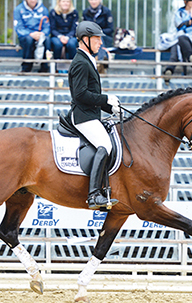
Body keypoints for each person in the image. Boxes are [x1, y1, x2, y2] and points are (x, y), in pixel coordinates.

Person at [69, 21, 120, 209]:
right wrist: (105, 99)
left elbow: (90, 95)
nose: (100, 43)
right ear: (85, 40)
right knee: (105, 145)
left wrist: (109, 108)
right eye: (97, 39)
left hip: (90, 113)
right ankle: (94, 195)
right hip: (83, 117)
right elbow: (80, 95)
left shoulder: (88, 59)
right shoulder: (81, 62)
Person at [164, 0, 192, 81]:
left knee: (180, 39)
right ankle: (190, 58)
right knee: (177, 43)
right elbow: (179, 26)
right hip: (181, 39)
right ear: (186, 2)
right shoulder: (179, 12)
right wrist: (190, 21)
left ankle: (169, 69)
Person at [14, 0, 50, 73]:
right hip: (26, 36)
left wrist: (41, 34)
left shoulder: (43, 9)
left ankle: (44, 67)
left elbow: (47, 26)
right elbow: (19, 27)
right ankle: (26, 67)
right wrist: (30, 34)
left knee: (47, 39)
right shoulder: (18, 9)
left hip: (40, 35)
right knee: (29, 40)